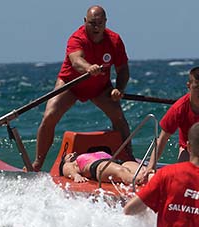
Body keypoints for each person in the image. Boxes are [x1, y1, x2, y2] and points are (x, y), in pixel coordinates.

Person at [32, 5, 133, 172]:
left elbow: (123, 69)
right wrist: (88, 67)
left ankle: (128, 157)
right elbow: (76, 60)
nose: (96, 27)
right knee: (49, 115)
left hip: (100, 87)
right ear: (85, 21)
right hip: (71, 84)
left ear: (105, 22)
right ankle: (37, 164)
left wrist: (119, 89)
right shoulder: (76, 38)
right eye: (92, 23)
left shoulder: (114, 40)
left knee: (119, 118)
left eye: (100, 23)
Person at [59, 151, 148, 185]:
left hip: (118, 162)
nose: (73, 153)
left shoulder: (86, 154)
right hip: (99, 166)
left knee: (144, 170)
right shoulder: (71, 164)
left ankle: (156, 181)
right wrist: (75, 176)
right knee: (122, 171)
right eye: (68, 155)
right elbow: (66, 168)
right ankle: (139, 179)